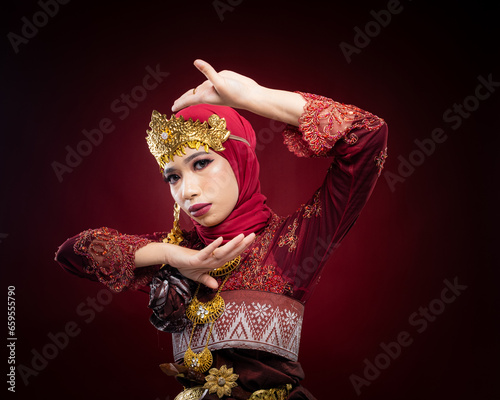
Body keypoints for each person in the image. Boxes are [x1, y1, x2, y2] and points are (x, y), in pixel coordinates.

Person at [55, 59, 388, 400]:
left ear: (240, 159)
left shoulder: (294, 243)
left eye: (201, 163)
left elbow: (367, 135)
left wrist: (254, 97)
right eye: (173, 176)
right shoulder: (179, 252)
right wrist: (172, 256)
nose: (187, 191)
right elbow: (73, 253)